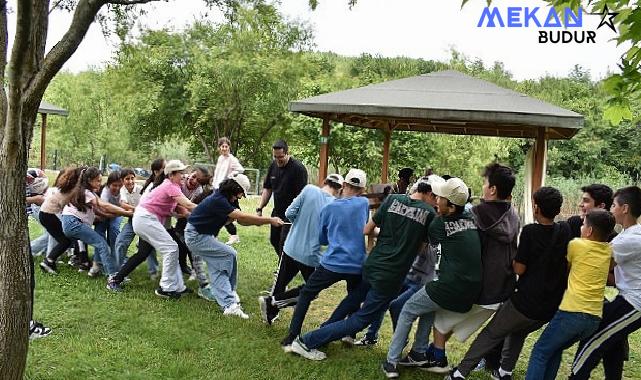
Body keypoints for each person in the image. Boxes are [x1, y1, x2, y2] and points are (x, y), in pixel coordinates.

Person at [288, 173, 436, 361]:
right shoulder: (429, 214)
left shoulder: (392, 199)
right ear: (430, 194)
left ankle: (324, 331)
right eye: (436, 198)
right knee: (360, 320)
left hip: (372, 264)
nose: (436, 203)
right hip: (390, 276)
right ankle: (307, 341)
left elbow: (366, 229)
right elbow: (420, 249)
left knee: (352, 299)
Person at [446, 186, 572, 380]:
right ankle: (504, 372)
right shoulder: (564, 230)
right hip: (549, 307)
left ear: (536, 208)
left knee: (491, 333)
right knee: (517, 332)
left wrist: (513, 259)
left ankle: (460, 372)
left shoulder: (530, 232)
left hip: (525, 302)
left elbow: (519, 269)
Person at [382, 177, 481, 379]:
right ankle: (419, 352)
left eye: (441, 198)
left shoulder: (438, 225)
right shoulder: (470, 218)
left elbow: (431, 250)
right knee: (428, 304)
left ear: (451, 207)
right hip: (471, 288)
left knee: (408, 309)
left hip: (449, 286)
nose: (436, 199)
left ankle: (391, 362)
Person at [427, 163, 520, 372]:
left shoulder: (476, 213)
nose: (483, 187)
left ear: (493, 189)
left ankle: (437, 358)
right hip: (502, 288)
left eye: (485, 183)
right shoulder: (513, 215)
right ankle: (434, 351)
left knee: (441, 318)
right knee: (450, 321)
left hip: (479, 286)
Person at [281, 169, 369, 350]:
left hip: (333, 263)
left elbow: (322, 239)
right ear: (362, 189)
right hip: (356, 263)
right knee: (352, 296)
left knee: (306, 294)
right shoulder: (364, 203)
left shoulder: (329, 208)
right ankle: (349, 335)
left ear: (344, 185)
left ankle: (292, 335)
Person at [526, 208, 616, 380]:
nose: (581, 227)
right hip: (594, 318)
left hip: (572, 313)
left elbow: (564, 268)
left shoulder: (577, 245)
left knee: (540, 351)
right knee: (554, 349)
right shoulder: (608, 251)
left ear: (589, 231)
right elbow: (609, 267)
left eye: (583, 225)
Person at [355, 175, 444, 346]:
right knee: (382, 300)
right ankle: (371, 335)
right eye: (436, 197)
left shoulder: (435, 219)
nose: (436, 202)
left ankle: (401, 341)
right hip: (405, 270)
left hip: (421, 277)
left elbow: (424, 248)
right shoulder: (426, 212)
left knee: (394, 305)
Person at [185, 174, 284, 319]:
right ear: (235, 188)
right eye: (241, 193)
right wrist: (269, 220)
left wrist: (261, 222)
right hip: (196, 236)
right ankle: (230, 296)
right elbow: (242, 218)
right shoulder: (219, 199)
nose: (241, 197)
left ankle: (229, 303)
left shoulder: (229, 199)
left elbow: (241, 221)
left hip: (204, 235)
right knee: (229, 254)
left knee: (218, 269)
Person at [569, 186, 641, 380]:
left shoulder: (629, 240)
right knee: (613, 340)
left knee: (594, 336)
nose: (611, 209)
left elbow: (597, 266)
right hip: (627, 297)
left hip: (635, 303)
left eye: (614, 205)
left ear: (624, 209)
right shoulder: (629, 234)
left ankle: (576, 376)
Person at [258, 174, 343, 325]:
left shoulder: (309, 189)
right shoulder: (336, 205)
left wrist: (301, 223)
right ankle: (272, 302)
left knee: (281, 283)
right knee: (312, 291)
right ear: (340, 189)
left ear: (324, 182)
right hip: (310, 255)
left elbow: (289, 213)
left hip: (290, 246)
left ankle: (270, 313)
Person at [131, 160, 197, 298]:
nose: (184, 176)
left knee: (173, 249)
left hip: (146, 219)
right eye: (181, 173)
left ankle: (178, 287)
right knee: (171, 249)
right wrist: (211, 210)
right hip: (145, 219)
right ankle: (165, 288)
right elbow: (188, 204)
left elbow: (181, 209)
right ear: (171, 175)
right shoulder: (170, 185)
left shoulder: (172, 186)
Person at [59, 167, 133, 278]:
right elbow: (104, 205)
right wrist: (128, 213)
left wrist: (115, 215)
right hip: (73, 223)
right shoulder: (87, 192)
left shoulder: (86, 191)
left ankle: (98, 269)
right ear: (89, 180)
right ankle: (113, 276)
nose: (100, 183)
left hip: (70, 223)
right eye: (98, 180)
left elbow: (99, 211)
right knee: (102, 244)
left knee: (100, 243)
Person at [256, 139, 308, 257]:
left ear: (287, 153)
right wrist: (259, 208)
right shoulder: (273, 166)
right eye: (275, 157)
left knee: (284, 244)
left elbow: (302, 195)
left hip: (292, 213)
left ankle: (281, 272)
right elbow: (268, 188)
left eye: (280, 157)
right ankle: (287, 266)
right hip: (277, 211)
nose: (278, 160)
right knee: (274, 240)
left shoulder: (298, 169)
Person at [39, 168, 82, 274]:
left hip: (45, 214)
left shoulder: (68, 186)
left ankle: (50, 261)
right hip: (48, 215)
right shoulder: (73, 189)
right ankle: (49, 261)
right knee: (65, 241)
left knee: (65, 239)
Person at [213, 137, 245, 245]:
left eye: (226, 146)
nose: (224, 148)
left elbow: (241, 169)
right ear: (219, 148)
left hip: (226, 190)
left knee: (224, 213)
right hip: (217, 188)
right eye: (222, 146)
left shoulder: (232, 159)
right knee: (220, 213)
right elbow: (217, 173)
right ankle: (219, 235)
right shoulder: (220, 158)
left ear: (229, 147)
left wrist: (232, 174)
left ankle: (233, 235)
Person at [91, 171, 124, 275]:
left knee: (114, 232)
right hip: (105, 213)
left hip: (117, 214)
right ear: (109, 184)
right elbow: (104, 208)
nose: (117, 188)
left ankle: (115, 265)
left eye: (120, 185)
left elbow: (122, 208)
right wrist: (109, 214)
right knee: (99, 232)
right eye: (114, 185)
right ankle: (97, 263)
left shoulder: (123, 191)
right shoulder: (105, 191)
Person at [112, 168, 139, 269]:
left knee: (147, 247)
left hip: (145, 221)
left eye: (132, 178)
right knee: (121, 242)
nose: (130, 181)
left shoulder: (141, 189)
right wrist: (137, 210)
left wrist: (134, 210)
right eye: (127, 179)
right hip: (132, 220)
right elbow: (123, 204)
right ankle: (120, 269)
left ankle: (153, 271)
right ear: (122, 181)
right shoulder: (122, 190)